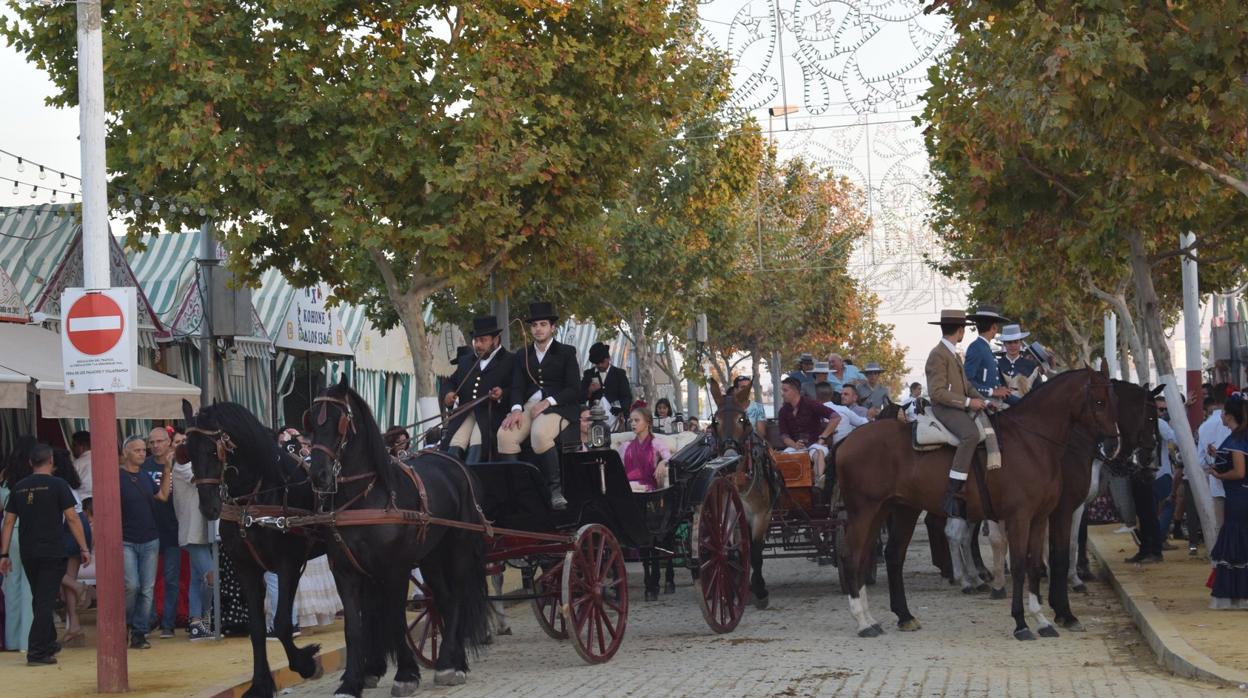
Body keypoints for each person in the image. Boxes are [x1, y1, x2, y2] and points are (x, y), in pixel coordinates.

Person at [0, 443, 89, 665]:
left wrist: (4, 554)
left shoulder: (18, 487)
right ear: (51, 461)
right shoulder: (59, 485)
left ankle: (48, 642)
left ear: (31, 463)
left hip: (28, 551)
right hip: (52, 550)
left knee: (40, 598)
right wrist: (84, 547)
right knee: (45, 601)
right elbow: (72, 518)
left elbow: (8, 522)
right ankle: (37, 651)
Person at [498, 302, 581, 510]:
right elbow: (517, 386)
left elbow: (574, 389)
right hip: (528, 405)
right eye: (535, 325)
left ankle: (555, 490)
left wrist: (548, 402)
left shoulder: (566, 352)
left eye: (543, 324)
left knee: (540, 434)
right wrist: (516, 409)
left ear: (552, 328)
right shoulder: (522, 355)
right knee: (504, 435)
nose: (538, 329)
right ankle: (517, 490)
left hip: (558, 406)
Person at [924, 309, 988, 527]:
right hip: (945, 409)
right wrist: (969, 403)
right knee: (970, 434)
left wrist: (986, 402)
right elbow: (937, 393)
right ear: (960, 330)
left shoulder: (953, 353)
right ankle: (954, 491)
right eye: (965, 329)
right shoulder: (938, 354)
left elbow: (967, 386)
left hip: (958, 406)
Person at [615, 407, 672, 602]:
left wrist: (662, 464)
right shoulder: (624, 447)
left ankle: (654, 577)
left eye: (636, 420)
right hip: (628, 492)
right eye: (631, 420)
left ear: (647, 422)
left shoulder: (657, 443)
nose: (632, 424)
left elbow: (670, 458)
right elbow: (618, 470)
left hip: (648, 491)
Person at [120, 435, 172, 649]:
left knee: (147, 588)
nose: (142, 453)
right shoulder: (118, 477)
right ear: (126, 453)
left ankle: (139, 632)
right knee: (132, 586)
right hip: (126, 539)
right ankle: (128, 623)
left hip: (150, 537)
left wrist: (167, 470)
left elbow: (162, 496)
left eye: (143, 450)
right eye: (137, 450)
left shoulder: (144, 476)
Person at [444, 315, 513, 462]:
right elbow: (450, 382)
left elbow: (517, 389)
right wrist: (449, 394)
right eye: (476, 340)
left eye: (483, 340)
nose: (478, 345)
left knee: (478, 444)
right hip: (466, 413)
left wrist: (502, 394)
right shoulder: (465, 361)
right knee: (454, 444)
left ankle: (472, 480)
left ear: (495, 340)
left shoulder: (510, 360)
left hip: (491, 415)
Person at [170, 440, 215, 640]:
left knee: (198, 580)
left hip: (201, 531)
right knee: (211, 577)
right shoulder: (182, 467)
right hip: (192, 532)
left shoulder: (187, 467)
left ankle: (196, 622)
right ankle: (203, 618)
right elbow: (200, 478)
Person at [1209, 392, 1248, 609]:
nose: (1221, 416)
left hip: (1238, 497)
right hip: (1241, 495)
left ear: (1230, 416)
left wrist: (1219, 475)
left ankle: (1237, 596)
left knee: (1237, 544)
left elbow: (1239, 471)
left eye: (1224, 413)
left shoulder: (1236, 439)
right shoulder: (1239, 437)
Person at [142, 427, 181, 639]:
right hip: (148, 529)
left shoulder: (179, 465)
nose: (156, 445)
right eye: (152, 442)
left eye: (159, 441)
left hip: (173, 529)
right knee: (147, 580)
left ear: (168, 442)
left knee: (171, 579)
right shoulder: (144, 467)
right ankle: (148, 621)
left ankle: (168, 624)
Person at [51, 449, 91, 647]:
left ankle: (79, 588)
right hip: (79, 524)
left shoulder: (56, 485)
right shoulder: (71, 484)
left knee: (52, 570)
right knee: (68, 578)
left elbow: (64, 516)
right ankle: (74, 626)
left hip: (69, 526)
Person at [777, 376, 839, 486]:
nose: (782, 393)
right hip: (795, 446)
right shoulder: (783, 411)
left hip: (814, 443)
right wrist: (794, 444)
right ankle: (787, 491)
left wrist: (823, 437)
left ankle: (819, 483)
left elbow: (835, 417)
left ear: (795, 391)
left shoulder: (811, 404)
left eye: (785, 390)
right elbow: (784, 435)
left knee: (818, 453)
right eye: (782, 390)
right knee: (783, 459)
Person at [1198, 384, 1233, 538]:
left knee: (1221, 529)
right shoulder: (1238, 427)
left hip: (1217, 486)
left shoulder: (1205, 427)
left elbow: (1201, 462)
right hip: (1236, 486)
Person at [965, 305, 1012, 407]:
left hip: (996, 398)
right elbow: (967, 380)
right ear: (994, 327)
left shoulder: (984, 346)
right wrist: (993, 391)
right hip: (984, 400)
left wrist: (1002, 389)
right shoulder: (976, 347)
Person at [582, 342, 633, 427]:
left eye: (602, 362)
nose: (600, 365)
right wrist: (589, 391)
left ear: (608, 358)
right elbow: (580, 397)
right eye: (597, 363)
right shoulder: (588, 374)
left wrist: (621, 408)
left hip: (615, 418)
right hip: (595, 418)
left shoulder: (619, 374)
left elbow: (626, 396)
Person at [996, 325, 1038, 405]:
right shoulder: (996, 364)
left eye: (1016, 342)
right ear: (1004, 344)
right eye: (1009, 342)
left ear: (1021, 343)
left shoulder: (1031, 365)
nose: (1013, 345)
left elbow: (1038, 390)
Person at [69, 431, 93, 519]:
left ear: (81, 446)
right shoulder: (104, 460)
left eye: (73, 446)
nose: (71, 449)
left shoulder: (76, 465)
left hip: (83, 508)